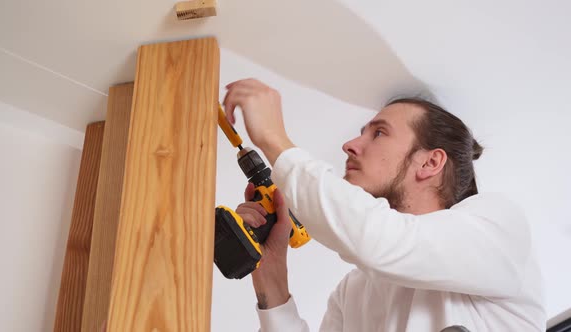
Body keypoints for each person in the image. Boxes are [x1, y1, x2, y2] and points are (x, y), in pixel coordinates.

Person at [222, 79, 546, 331]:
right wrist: (272, 272)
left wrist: (275, 141)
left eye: (379, 133)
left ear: (431, 162)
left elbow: (378, 239)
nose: (349, 145)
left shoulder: (497, 227)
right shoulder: (356, 291)